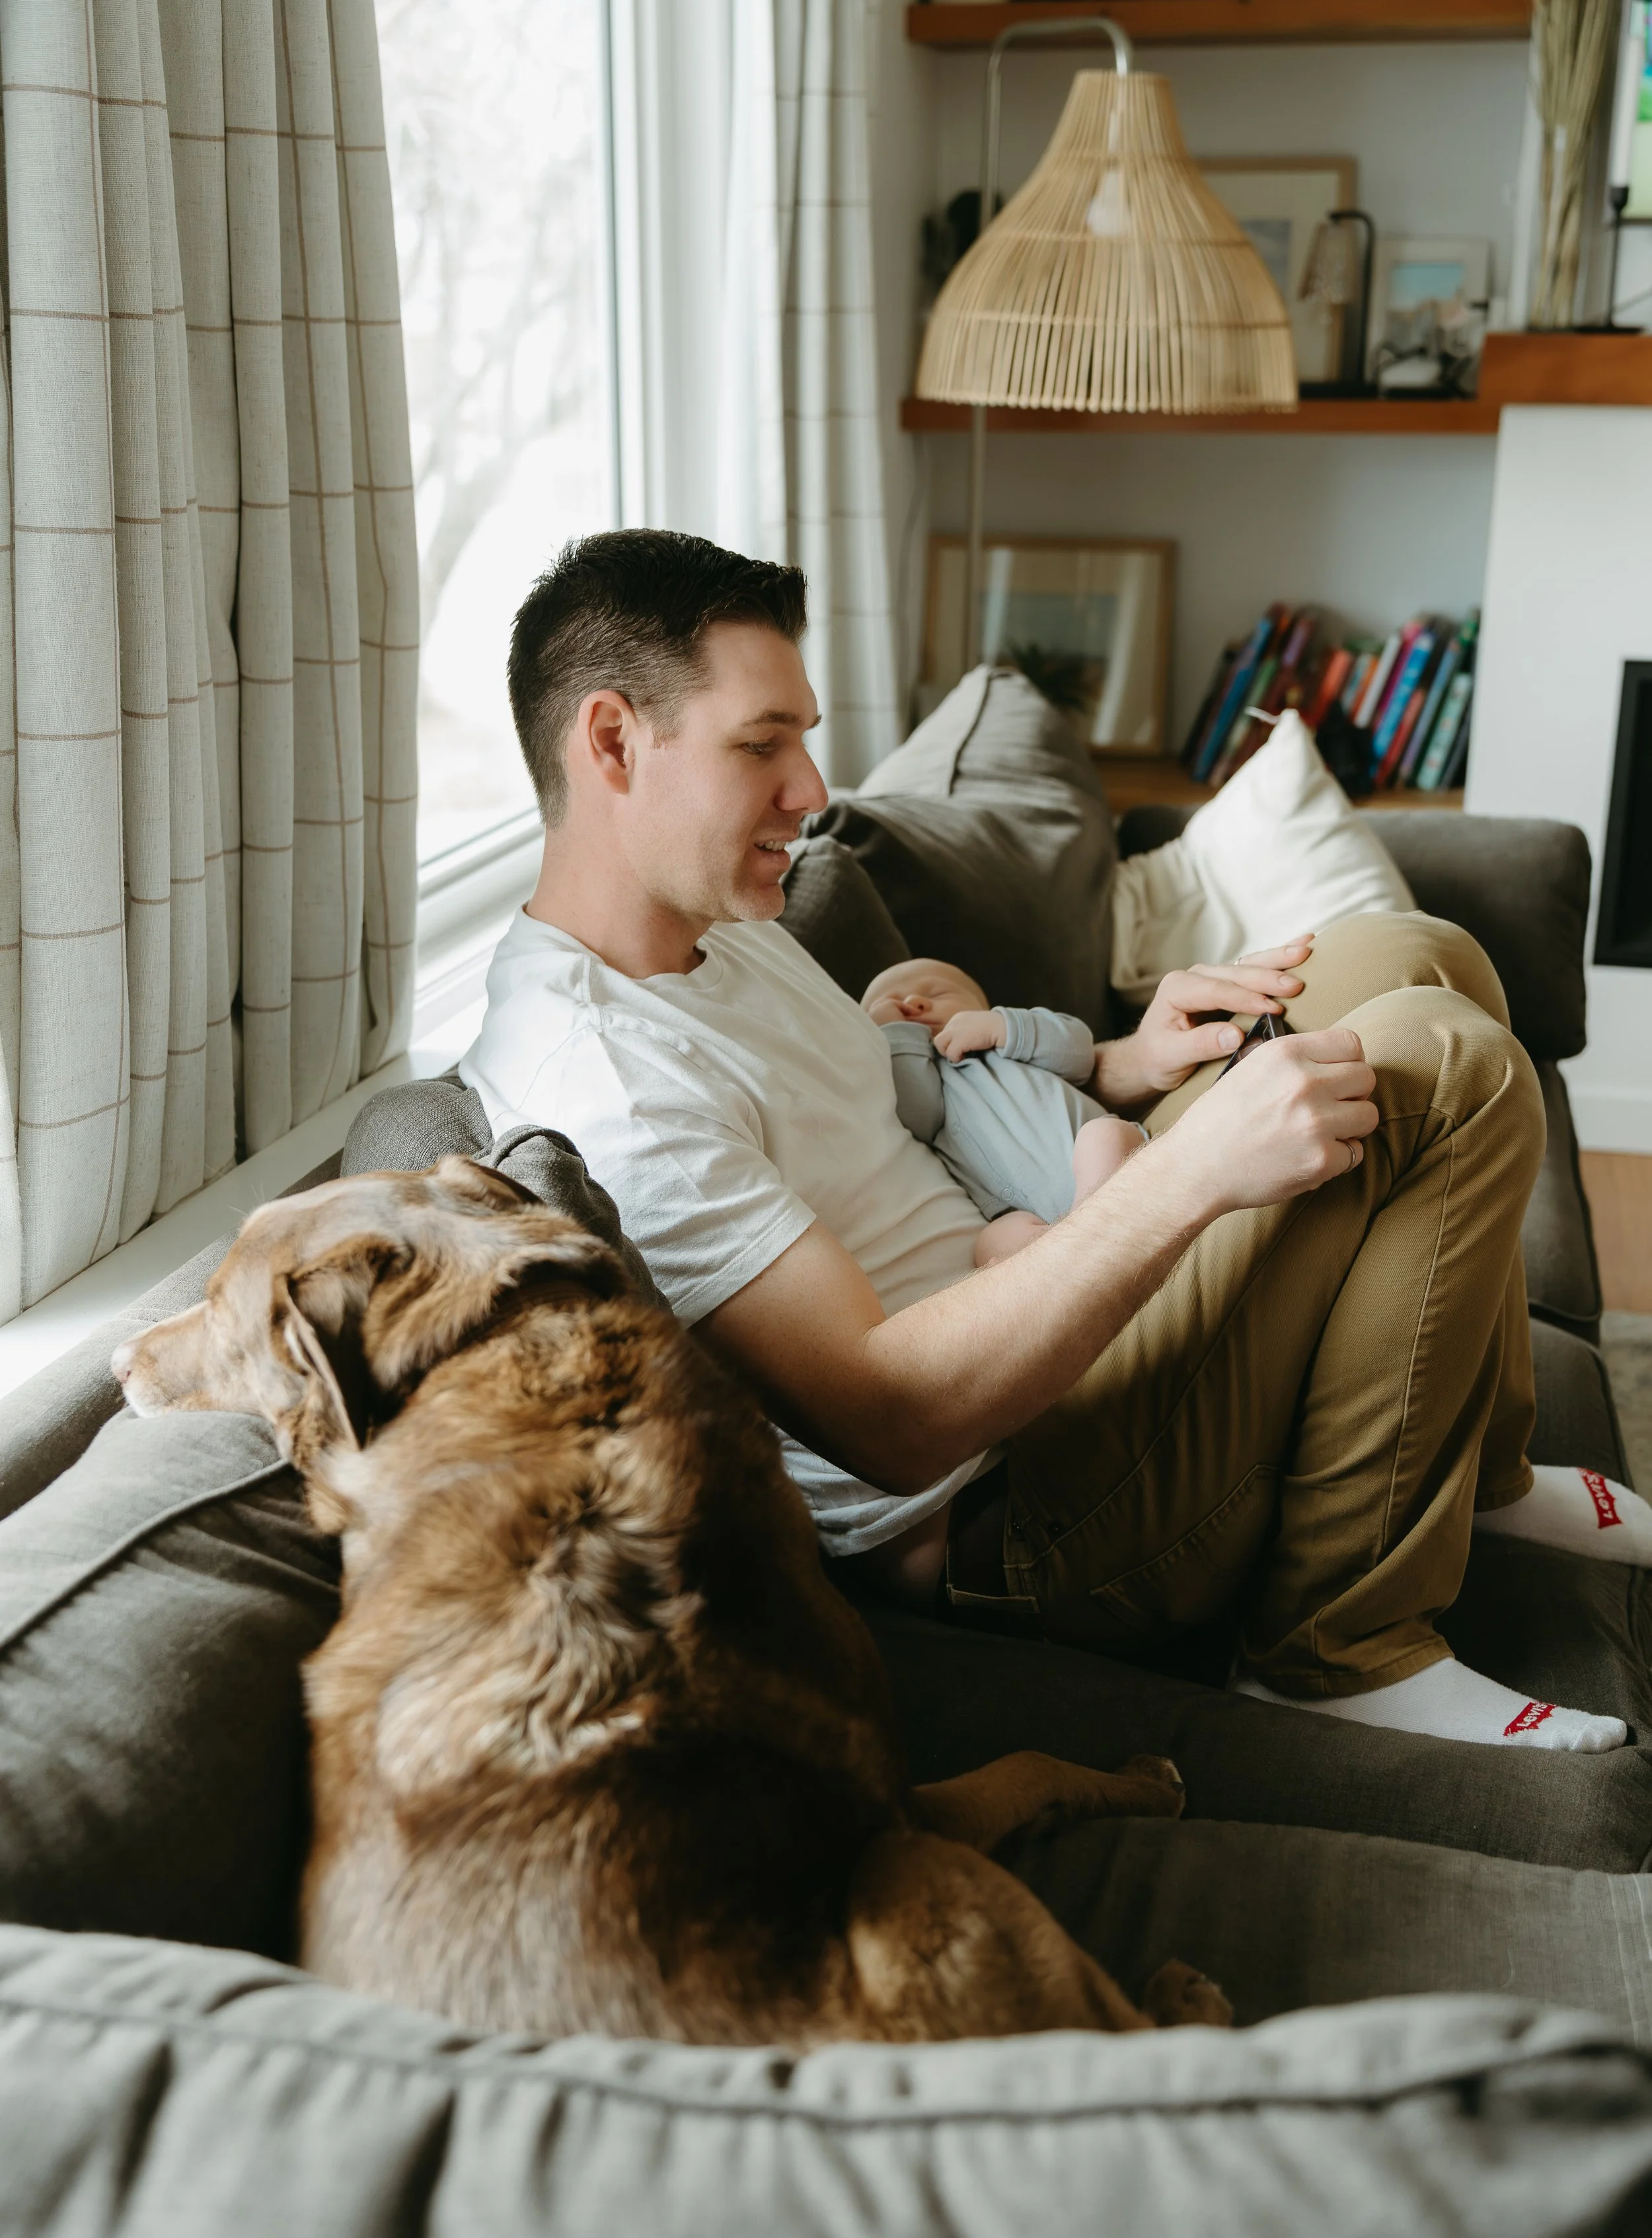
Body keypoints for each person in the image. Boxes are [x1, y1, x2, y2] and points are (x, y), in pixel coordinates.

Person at [461, 528, 1650, 1755]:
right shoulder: (601, 1082)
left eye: (803, 738)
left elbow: (902, 1100)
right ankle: (1336, 1648)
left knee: (1417, 955)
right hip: (1018, 1503)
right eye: (762, 746)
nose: (812, 792)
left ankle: (1479, 1473)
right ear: (610, 741)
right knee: (1442, 1061)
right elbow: (889, 1414)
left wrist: (1128, 1061)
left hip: (1067, 1307)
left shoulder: (715, 924)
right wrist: (1190, 1170)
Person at [859, 956, 1143, 1267]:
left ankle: (1085, 1233)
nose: (912, 1003)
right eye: (891, 1005)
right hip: (1034, 1218)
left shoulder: (1009, 1042)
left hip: (1100, 1157)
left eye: (937, 993)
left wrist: (1004, 1027)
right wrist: (896, 1034)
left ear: (980, 1006)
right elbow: (917, 1116)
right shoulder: (928, 1091)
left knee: (1104, 1136)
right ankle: (1074, 1249)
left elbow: (1080, 1054)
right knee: (991, 1244)